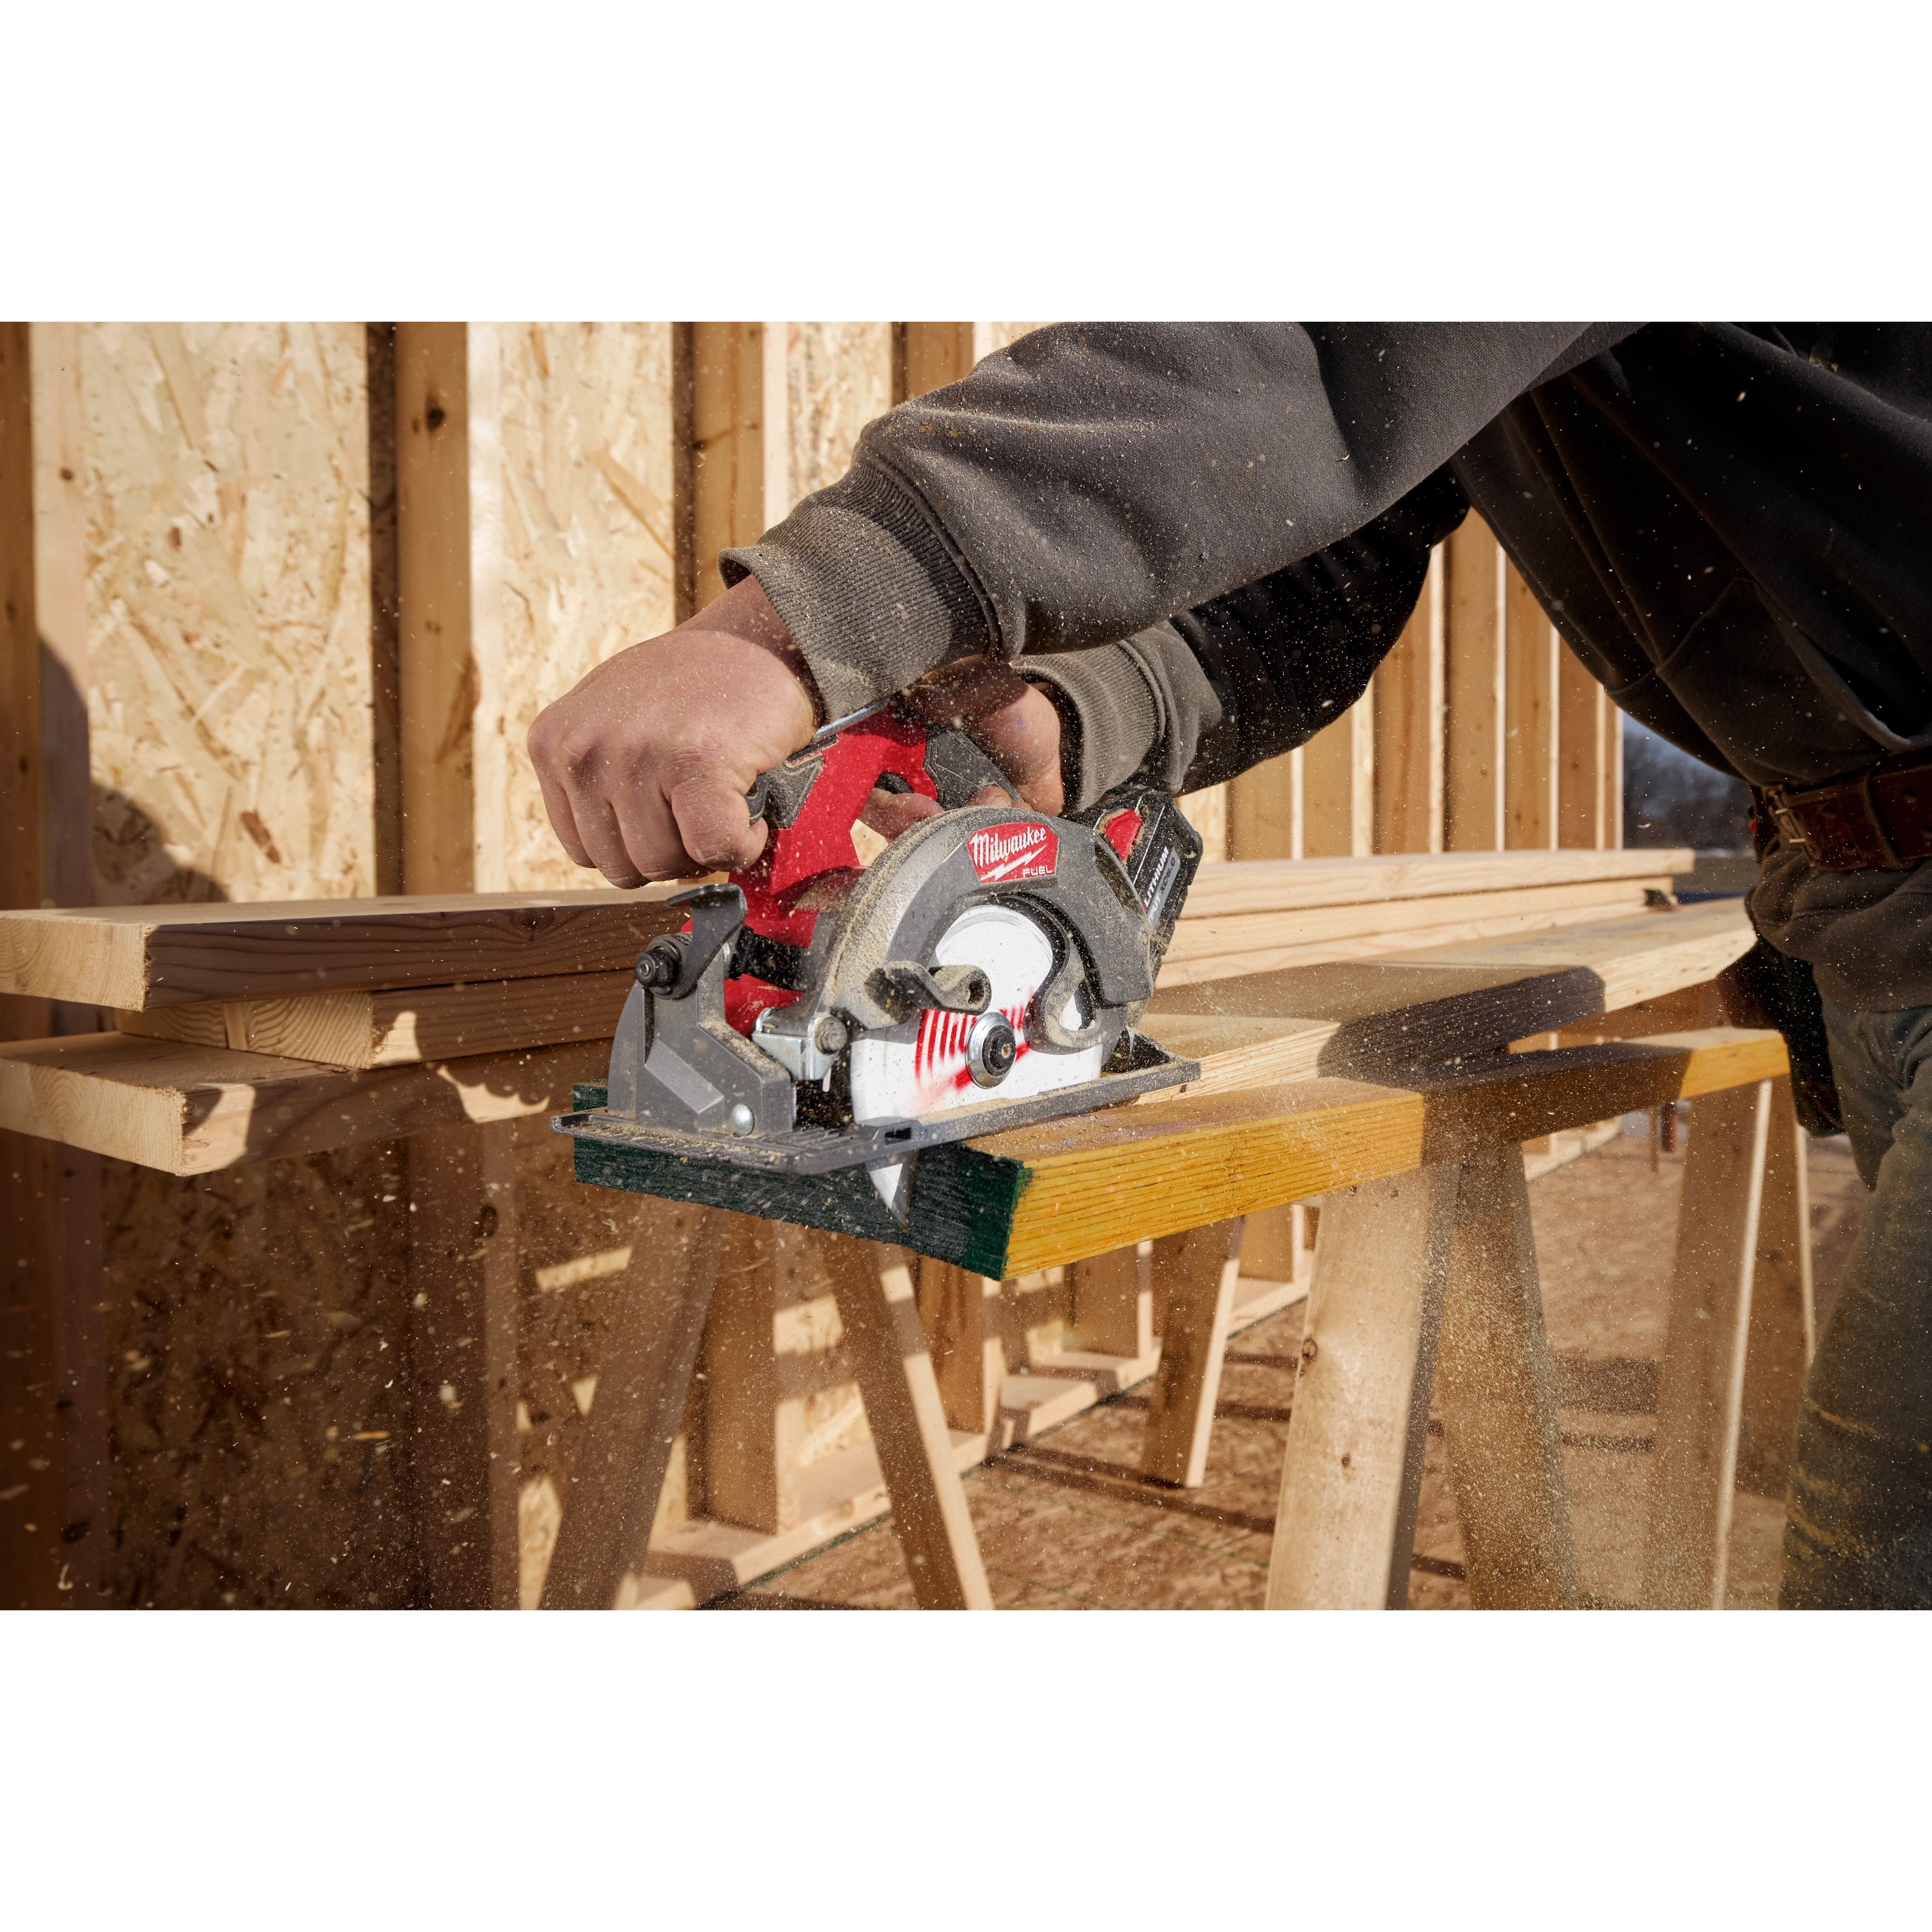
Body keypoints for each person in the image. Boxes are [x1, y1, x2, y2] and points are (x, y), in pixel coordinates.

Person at [529, 322, 1932, 1610]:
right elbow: (1320, 555)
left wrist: (799, 619)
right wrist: (1077, 717)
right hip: (1876, 907)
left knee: (1873, 1550)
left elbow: (1313, 350)